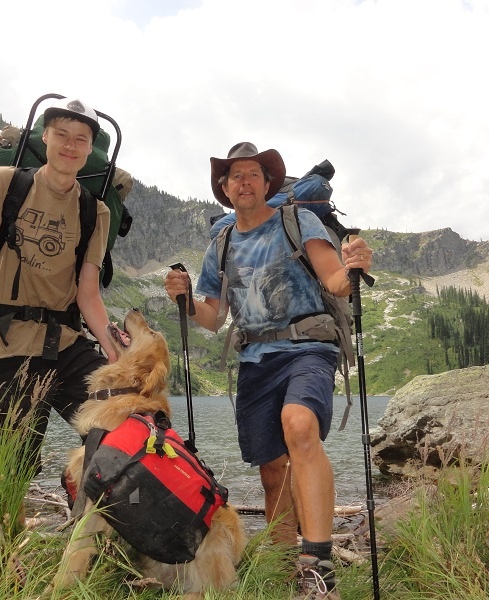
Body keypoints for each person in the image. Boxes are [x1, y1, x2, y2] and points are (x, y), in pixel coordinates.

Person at [164, 142, 373, 599]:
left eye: (253, 174)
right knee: (272, 471)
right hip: (256, 358)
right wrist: (183, 300)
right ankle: (283, 567)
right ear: (224, 188)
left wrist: (353, 266)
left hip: (308, 346)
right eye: (235, 175)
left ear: (267, 183)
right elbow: (213, 317)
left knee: (300, 427)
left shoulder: (297, 221)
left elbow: (334, 279)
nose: (244, 181)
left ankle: (318, 568)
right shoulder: (220, 243)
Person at [0, 97, 126, 484]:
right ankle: (4, 540)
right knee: (4, 473)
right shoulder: (6, 183)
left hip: (64, 344)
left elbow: (88, 294)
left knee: (121, 428)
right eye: (61, 133)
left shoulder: (96, 211)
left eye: (81, 138)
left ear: (89, 149)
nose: (70, 144)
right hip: (3, 344)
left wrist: (114, 351)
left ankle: (85, 502)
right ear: (45, 137)